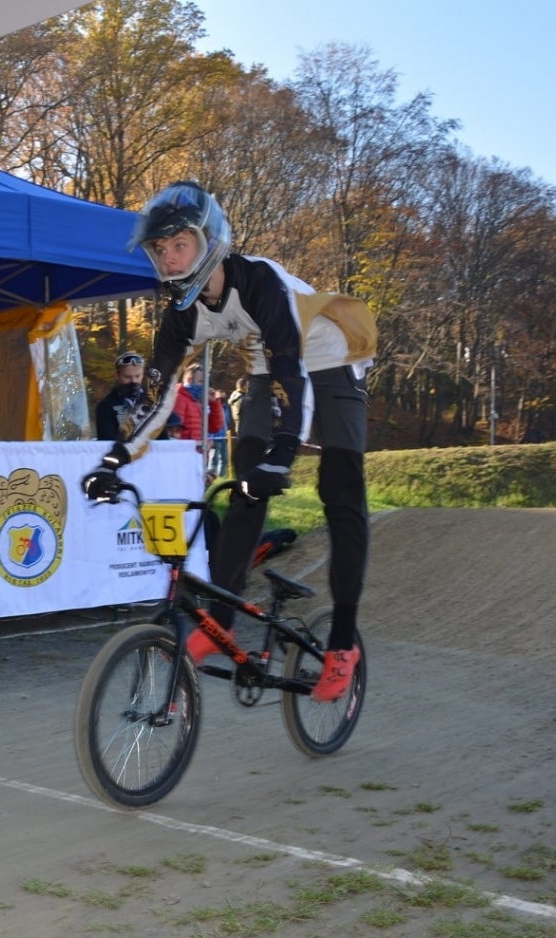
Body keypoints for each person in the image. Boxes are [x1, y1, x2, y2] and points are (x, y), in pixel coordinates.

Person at [81, 181, 376, 703]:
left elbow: (296, 373)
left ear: (209, 241)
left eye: (180, 246)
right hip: (269, 368)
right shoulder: (180, 314)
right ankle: (219, 625)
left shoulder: (258, 281)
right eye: (160, 250)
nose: (169, 260)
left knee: (340, 494)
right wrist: (117, 457)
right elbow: (158, 396)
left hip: (329, 362)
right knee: (245, 486)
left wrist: (286, 451)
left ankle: (342, 641)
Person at [94, 351, 152, 442]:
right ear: (117, 376)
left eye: (137, 376)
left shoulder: (153, 404)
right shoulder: (106, 406)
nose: (133, 381)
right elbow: (106, 443)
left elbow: (164, 441)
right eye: (127, 377)